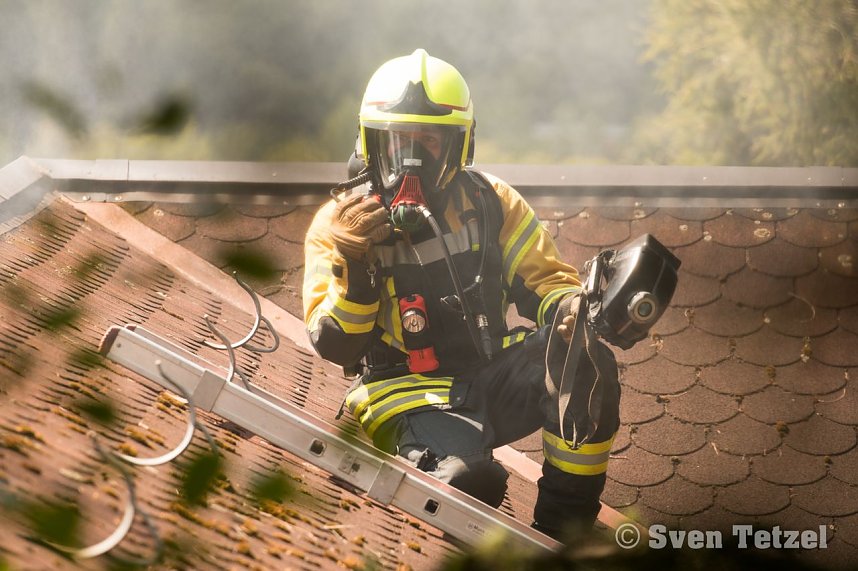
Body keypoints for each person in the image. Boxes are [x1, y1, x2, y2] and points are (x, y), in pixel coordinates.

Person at [303, 49, 620, 541]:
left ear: (459, 147)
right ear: (370, 143)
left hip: (487, 370)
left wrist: (582, 312)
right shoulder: (338, 224)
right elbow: (334, 344)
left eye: (427, 142)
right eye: (397, 141)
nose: (411, 159)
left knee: (584, 357)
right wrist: (355, 266)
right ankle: (451, 460)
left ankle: (566, 530)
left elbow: (551, 288)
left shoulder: (490, 204)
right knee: (468, 484)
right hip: (401, 393)